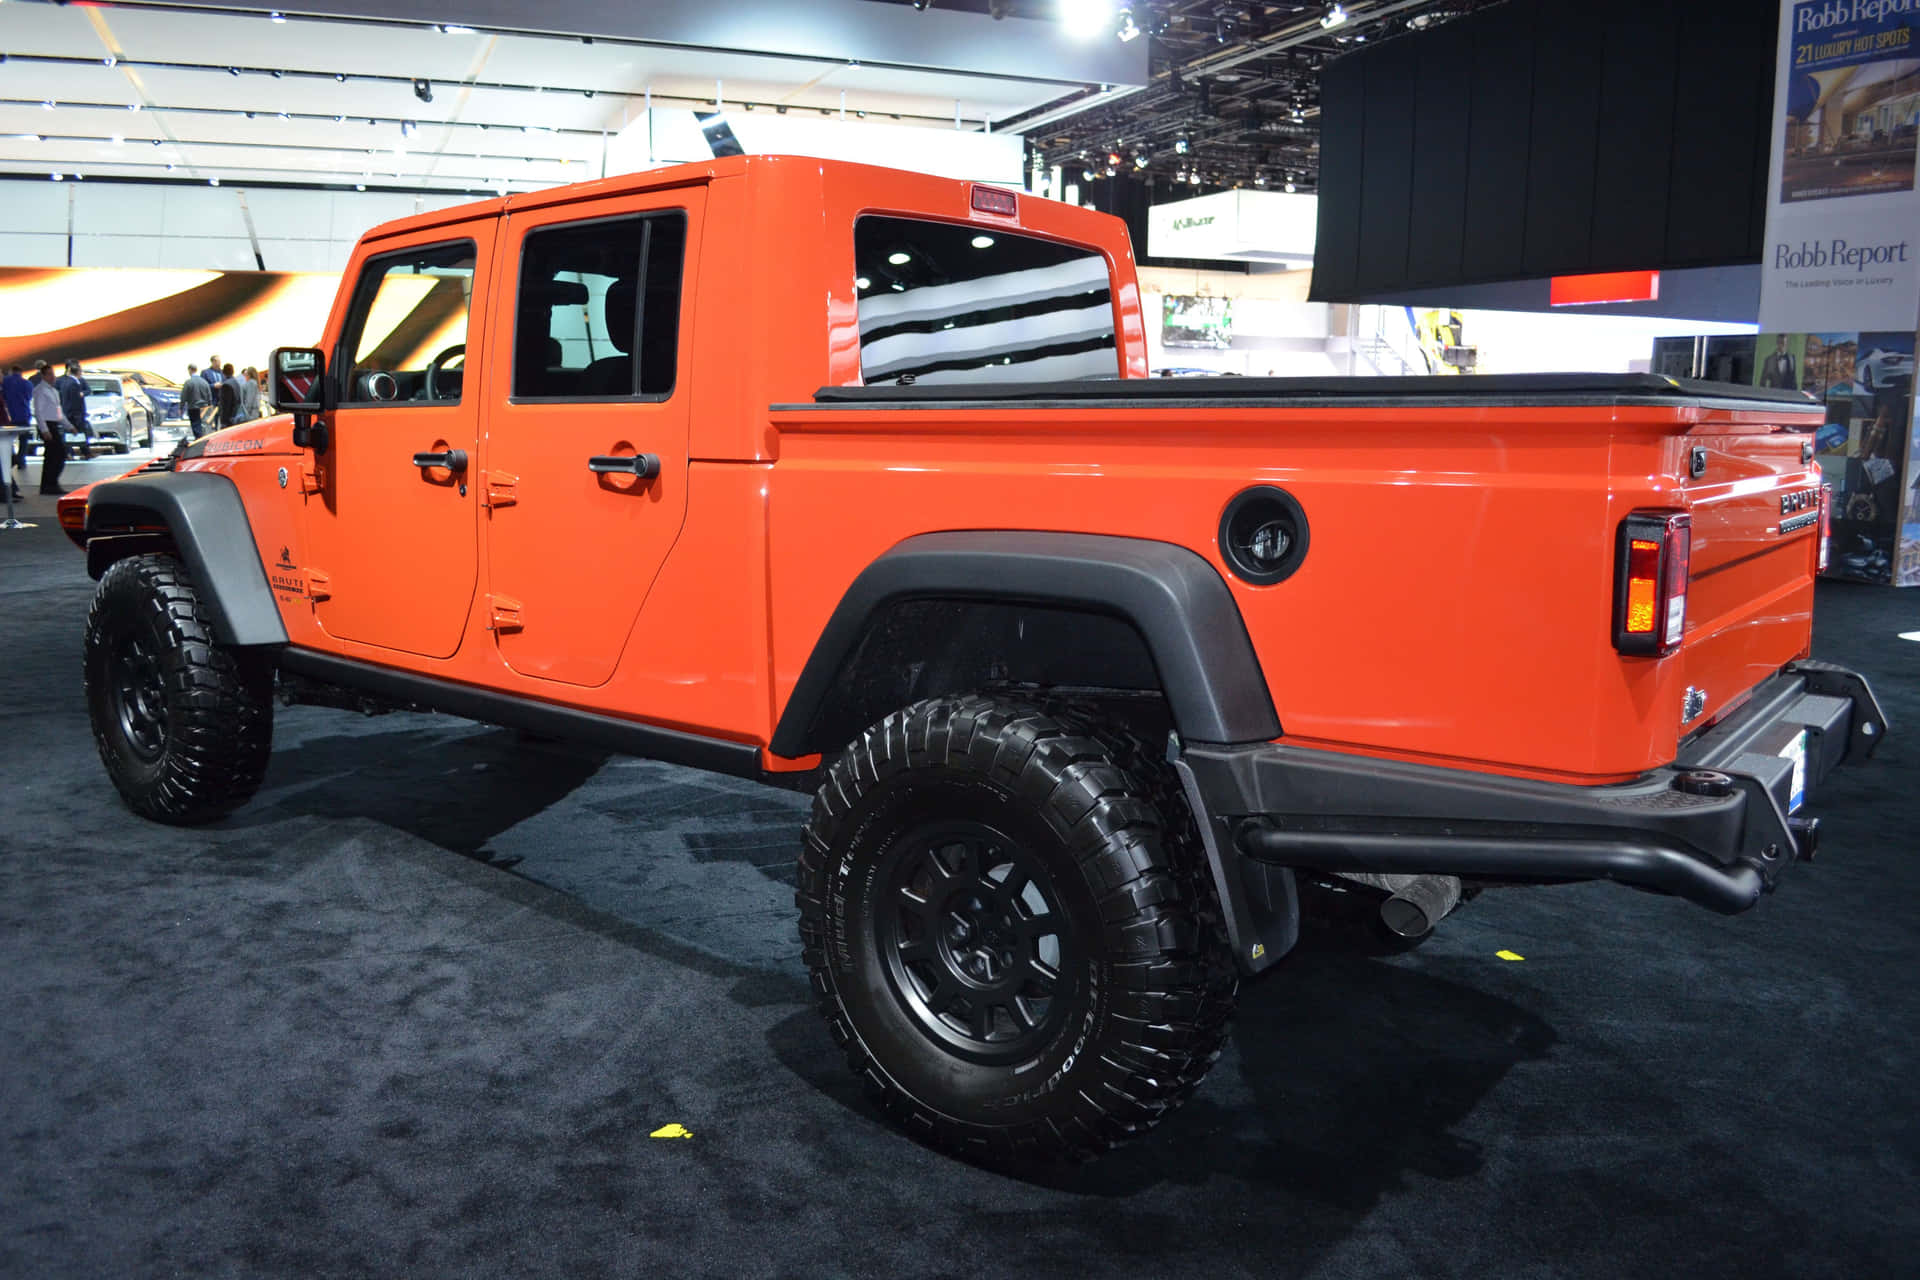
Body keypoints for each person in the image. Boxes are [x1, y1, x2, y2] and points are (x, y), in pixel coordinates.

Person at [31, 361, 69, 495]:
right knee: (57, 454)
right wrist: (44, 430)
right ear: (43, 376)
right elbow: (39, 412)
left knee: (54, 456)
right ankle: (50, 484)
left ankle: (49, 484)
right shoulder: (40, 391)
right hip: (47, 425)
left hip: (54, 424)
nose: (52, 377)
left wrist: (68, 426)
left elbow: (58, 412)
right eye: (49, 375)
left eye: (53, 374)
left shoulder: (54, 391)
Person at [3, 364, 31, 494]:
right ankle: (21, 460)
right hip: (23, 414)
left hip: (10, 416)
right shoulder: (26, 383)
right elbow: (28, 397)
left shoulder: (6, 382)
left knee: (8, 440)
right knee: (24, 439)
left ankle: (14, 457)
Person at [57, 358, 90, 459]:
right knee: (70, 431)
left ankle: (85, 452)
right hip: (69, 410)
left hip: (73, 410)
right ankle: (68, 452)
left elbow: (88, 390)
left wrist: (82, 394)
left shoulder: (79, 380)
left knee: (79, 431)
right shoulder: (61, 380)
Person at [181, 364, 212, 438]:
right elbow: (209, 394)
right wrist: (210, 404)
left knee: (195, 424)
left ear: (190, 370)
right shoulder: (204, 381)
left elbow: (184, 395)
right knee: (205, 423)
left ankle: (198, 439)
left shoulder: (188, 382)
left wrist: (181, 407)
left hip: (193, 406)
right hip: (205, 407)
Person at [216, 362, 242, 429]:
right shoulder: (236, 382)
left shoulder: (226, 385)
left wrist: (224, 421)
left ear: (223, 372)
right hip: (236, 415)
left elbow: (226, 405)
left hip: (229, 419)